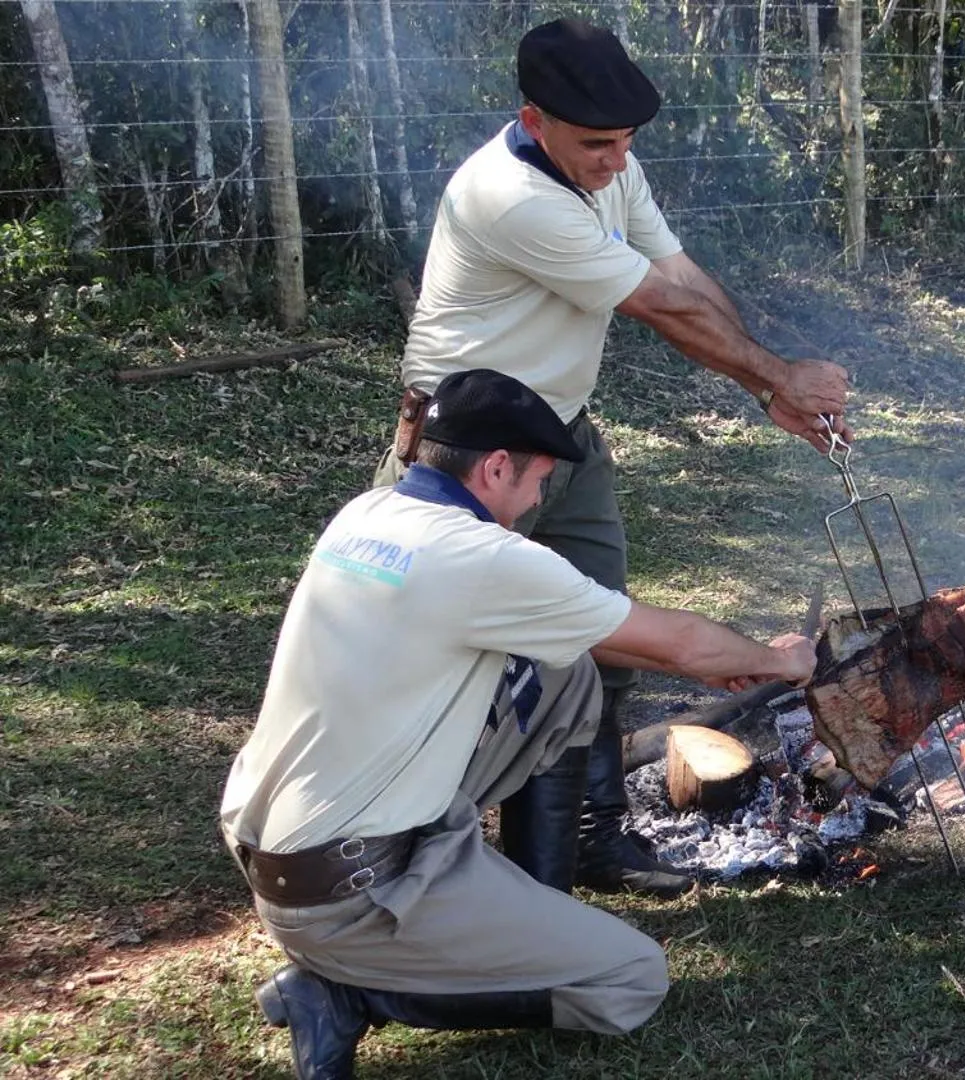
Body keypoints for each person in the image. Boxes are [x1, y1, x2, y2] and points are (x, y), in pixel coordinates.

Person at [375, 16, 853, 899]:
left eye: (628, 140)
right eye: (598, 142)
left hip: (562, 439)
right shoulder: (511, 197)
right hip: (463, 457)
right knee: (443, 665)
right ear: (534, 119)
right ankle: (397, 862)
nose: (617, 160)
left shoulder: (608, 166)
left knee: (603, 640)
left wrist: (767, 387)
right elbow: (660, 310)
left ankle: (588, 842)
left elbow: (679, 276)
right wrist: (778, 375)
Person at [223, 369, 816, 1079]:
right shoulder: (483, 558)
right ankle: (347, 994)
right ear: (497, 466)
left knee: (563, 673)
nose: (539, 499)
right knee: (630, 979)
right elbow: (681, 639)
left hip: (278, 846)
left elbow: (599, 637)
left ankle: (529, 906)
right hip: (353, 893)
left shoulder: (370, 514)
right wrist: (778, 660)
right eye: (537, 480)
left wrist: (707, 670)